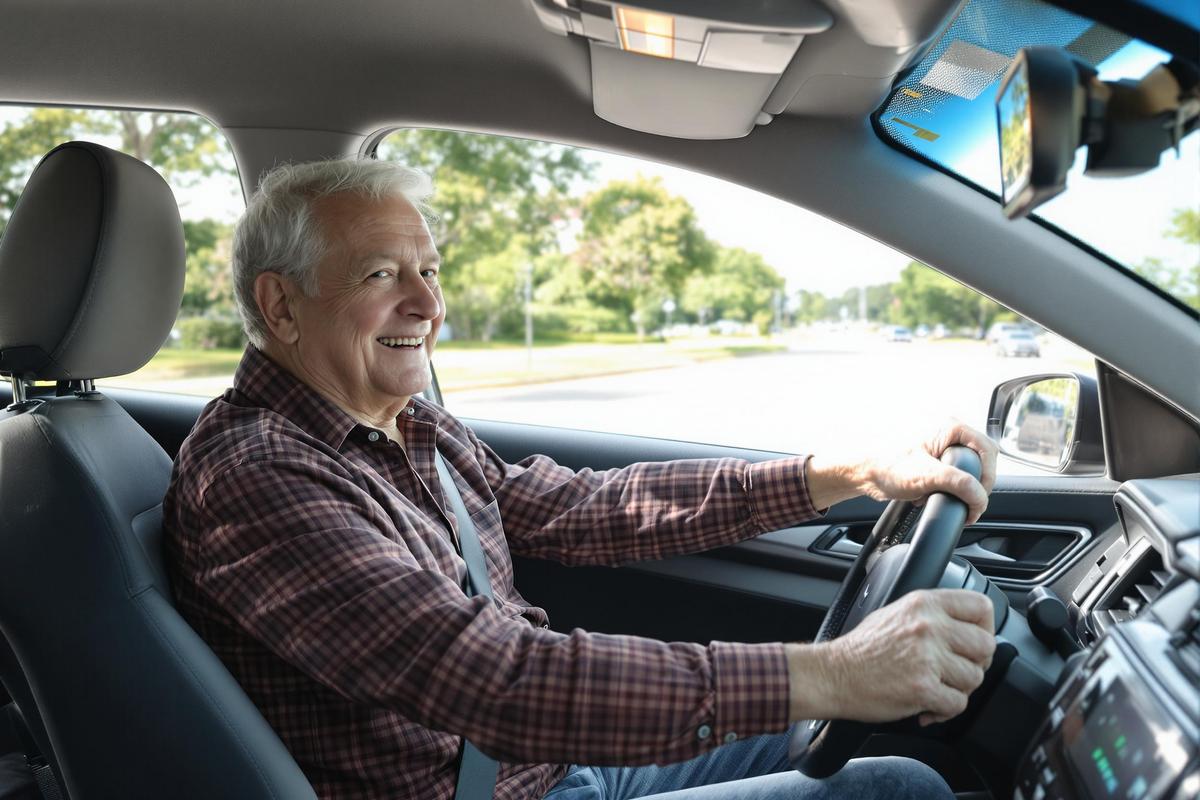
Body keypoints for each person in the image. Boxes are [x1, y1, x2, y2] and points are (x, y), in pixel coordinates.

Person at [163, 159, 999, 800]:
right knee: (900, 789)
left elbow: (584, 509)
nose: (429, 303)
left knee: (903, 745)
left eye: (431, 270)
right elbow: (495, 678)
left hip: (557, 768)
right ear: (281, 306)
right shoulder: (258, 478)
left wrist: (843, 472)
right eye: (384, 274)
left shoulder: (405, 425)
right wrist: (834, 672)